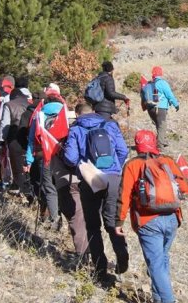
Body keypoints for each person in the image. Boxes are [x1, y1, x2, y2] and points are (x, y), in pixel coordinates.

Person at [115, 130, 188, 303]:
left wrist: (119, 221)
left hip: (147, 220)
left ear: (136, 145)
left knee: (155, 264)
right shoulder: (168, 160)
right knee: (162, 259)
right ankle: (159, 298)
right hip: (172, 217)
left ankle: (168, 300)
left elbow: (124, 195)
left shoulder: (132, 165)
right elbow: (184, 187)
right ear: (155, 143)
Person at [63, 98, 130, 278]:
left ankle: (100, 269)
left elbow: (70, 158)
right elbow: (123, 151)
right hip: (113, 178)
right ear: (94, 111)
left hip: (89, 180)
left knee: (92, 226)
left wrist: (81, 167)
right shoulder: (110, 125)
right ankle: (121, 252)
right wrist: (115, 168)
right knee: (112, 221)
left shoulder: (76, 129)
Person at [52, 103, 92, 262]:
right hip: (89, 178)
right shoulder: (85, 133)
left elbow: (67, 160)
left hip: (67, 181)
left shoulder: (59, 135)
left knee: (76, 217)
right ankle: (92, 252)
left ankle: (84, 255)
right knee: (86, 217)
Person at [26, 84, 65, 227]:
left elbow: (31, 140)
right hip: (63, 156)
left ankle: (55, 219)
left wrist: (29, 160)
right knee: (63, 187)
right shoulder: (66, 115)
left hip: (44, 155)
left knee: (49, 187)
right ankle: (66, 217)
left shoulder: (39, 115)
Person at [0, 81, 33, 197]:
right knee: (28, 164)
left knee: (17, 166)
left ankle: (23, 191)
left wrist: (1, 141)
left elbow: (5, 124)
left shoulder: (9, 105)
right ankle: (31, 190)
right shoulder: (30, 104)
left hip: (14, 138)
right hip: (29, 137)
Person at [148, 66, 179, 150]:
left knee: (158, 125)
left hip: (150, 108)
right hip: (160, 107)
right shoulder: (162, 83)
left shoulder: (149, 83)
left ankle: (161, 141)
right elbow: (169, 95)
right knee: (162, 126)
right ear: (161, 73)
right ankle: (160, 146)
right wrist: (176, 104)